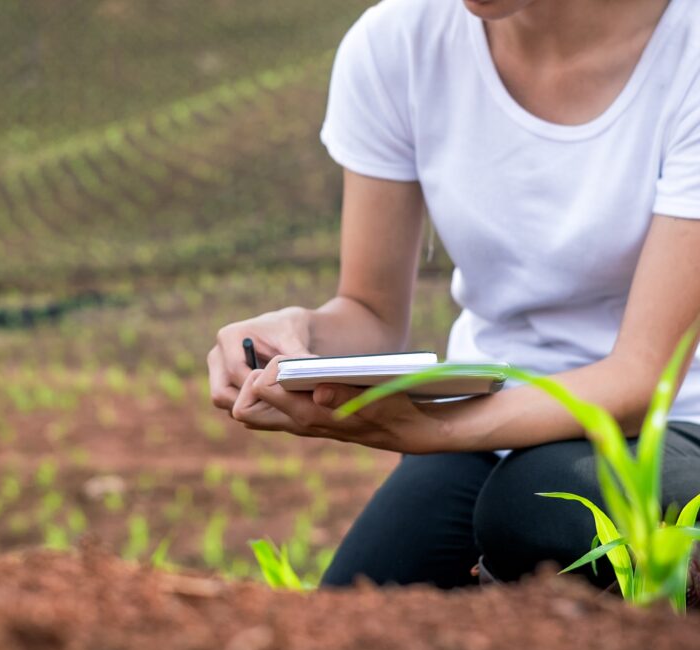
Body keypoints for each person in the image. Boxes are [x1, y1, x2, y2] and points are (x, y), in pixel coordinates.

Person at [207, 0, 700, 590]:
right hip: (492, 417)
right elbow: (370, 312)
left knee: (530, 508)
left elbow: (644, 378)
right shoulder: (400, 43)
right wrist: (298, 336)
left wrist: (438, 430)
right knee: (359, 612)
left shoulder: (688, 49)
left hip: (678, 418)